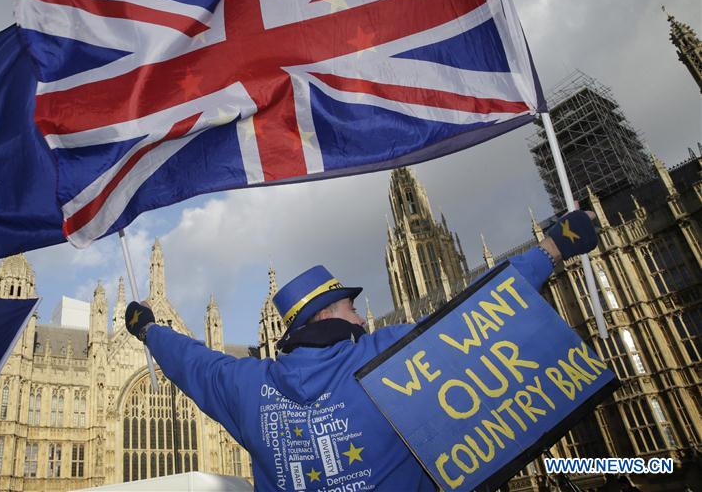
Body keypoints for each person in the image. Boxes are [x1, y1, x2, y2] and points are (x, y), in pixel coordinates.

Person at [126, 210, 599, 491]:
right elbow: (477, 315)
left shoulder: (247, 385)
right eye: (353, 309)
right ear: (329, 315)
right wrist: (556, 248)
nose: (361, 318)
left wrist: (148, 329)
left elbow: (192, 363)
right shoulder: (388, 354)